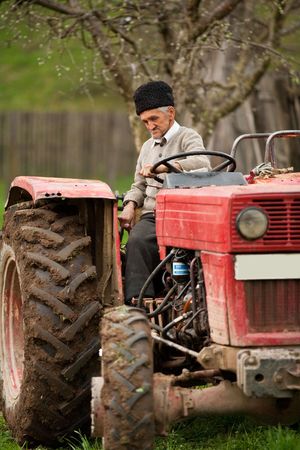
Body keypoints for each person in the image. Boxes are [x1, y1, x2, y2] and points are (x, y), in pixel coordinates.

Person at [119, 80, 211, 304]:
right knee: (138, 241)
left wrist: (164, 166)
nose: (150, 126)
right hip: (154, 214)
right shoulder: (147, 147)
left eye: (154, 119)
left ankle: (197, 297)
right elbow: (139, 185)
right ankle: (140, 305)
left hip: (183, 211)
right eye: (145, 122)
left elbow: (202, 162)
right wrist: (130, 205)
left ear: (170, 113)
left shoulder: (188, 137)